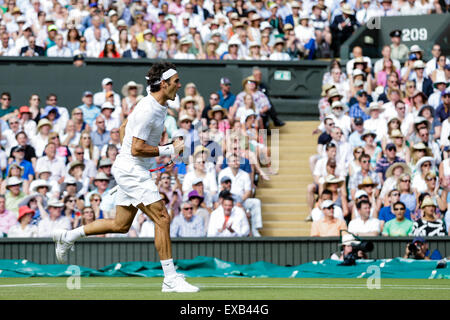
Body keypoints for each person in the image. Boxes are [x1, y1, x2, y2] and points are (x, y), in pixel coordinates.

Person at [51, 62, 199, 293]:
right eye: (176, 81)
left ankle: (68, 235)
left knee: (121, 225)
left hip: (130, 168)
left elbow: (123, 128)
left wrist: (127, 158)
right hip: (132, 171)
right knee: (162, 218)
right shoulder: (148, 109)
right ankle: (170, 278)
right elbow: (137, 148)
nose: (179, 85)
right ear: (163, 84)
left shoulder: (155, 106)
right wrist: (169, 149)